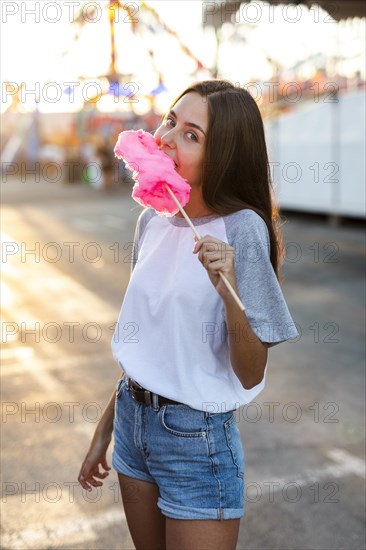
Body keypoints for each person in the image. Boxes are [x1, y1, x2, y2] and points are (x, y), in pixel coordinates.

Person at [78, 79, 299, 550]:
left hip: (195, 440)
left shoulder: (243, 229)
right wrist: (106, 431)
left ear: (224, 156)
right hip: (132, 423)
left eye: (191, 135)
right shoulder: (151, 221)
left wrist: (228, 287)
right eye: (170, 122)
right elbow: (145, 343)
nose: (165, 139)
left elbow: (250, 370)